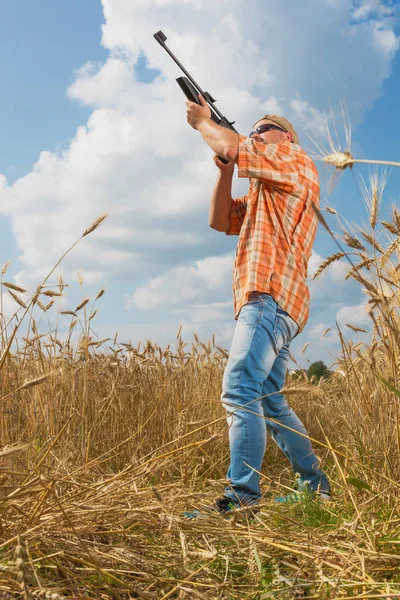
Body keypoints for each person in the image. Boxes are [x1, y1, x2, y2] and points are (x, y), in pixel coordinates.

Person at [185, 95, 331, 513]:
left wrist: (202, 123)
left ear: (286, 136)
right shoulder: (266, 190)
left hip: (268, 294)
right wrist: (227, 171)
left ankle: (242, 499)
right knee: (269, 400)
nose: (254, 134)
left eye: (262, 128)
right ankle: (314, 488)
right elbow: (219, 220)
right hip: (281, 301)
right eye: (251, 130)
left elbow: (230, 144)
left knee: (239, 389)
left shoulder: (294, 159)